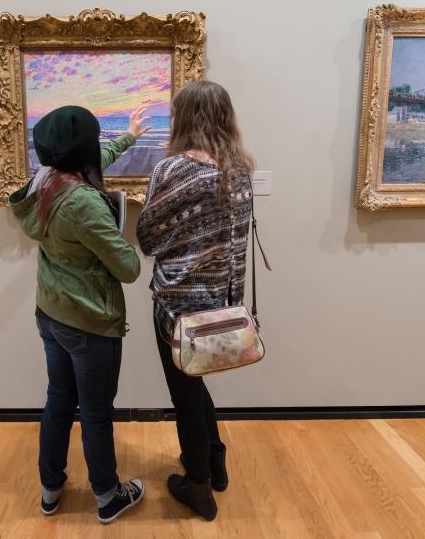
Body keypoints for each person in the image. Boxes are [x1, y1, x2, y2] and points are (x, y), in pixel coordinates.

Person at [9, 105, 151, 524]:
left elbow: (90, 166)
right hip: (88, 323)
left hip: (51, 314)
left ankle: (50, 489)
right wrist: (121, 232)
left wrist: (129, 137)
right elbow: (128, 267)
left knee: (58, 402)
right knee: (95, 414)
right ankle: (108, 497)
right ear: (82, 149)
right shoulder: (83, 203)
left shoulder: (44, 181)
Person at [136, 81, 255, 521]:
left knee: (183, 391)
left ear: (181, 117)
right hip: (221, 304)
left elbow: (147, 238)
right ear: (226, 116)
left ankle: (199, 487)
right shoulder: (239, 169)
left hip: (177, 306)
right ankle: (216, 460)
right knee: (195, 380)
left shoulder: (172, 170)